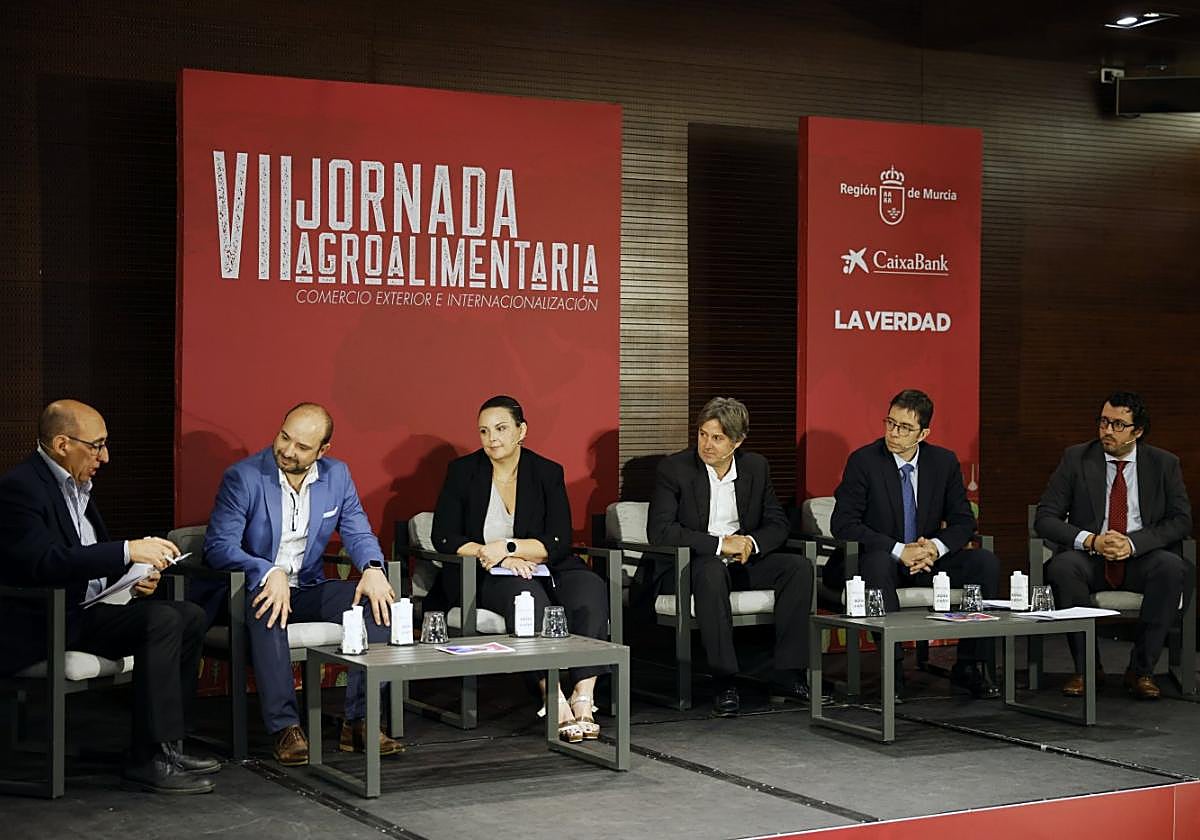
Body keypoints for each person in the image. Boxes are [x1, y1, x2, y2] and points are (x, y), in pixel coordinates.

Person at [0, 400, 217, 794]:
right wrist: (127, 551)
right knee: (162, 620)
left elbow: (84, 555)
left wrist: (131, 577)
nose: (105, 456)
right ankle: (147, 759)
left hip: (81, 613)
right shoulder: (21, 488)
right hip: (41, 621)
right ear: (63, 443)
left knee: (189, 615)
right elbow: (43, 562)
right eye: (96, 445)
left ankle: (168, 745)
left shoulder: (78, 486)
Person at [204, 402, 402, 764]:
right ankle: (285, 727)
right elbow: (218, 547)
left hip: (307, 588)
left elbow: (357, 530)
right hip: (250, 589)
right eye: (284, 437)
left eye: (302, 447)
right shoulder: (244, 477)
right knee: (269, 606)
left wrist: (373, 568)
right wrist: (267, 571)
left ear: (322, 451)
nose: (288, 450)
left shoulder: (337, 476)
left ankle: (358, 721)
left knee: (379, 606)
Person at [432, 395, 610, 742]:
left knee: (590, 589)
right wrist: (495, 555)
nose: (491, 439)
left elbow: (557, 540)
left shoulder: (546, 471)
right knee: (526, 597)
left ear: (521, 430)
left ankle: (584, 697)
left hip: (548, 564)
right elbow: (443, 537)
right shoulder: (463, 472)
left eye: (500, 429)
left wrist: (510, 547)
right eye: (484, 431)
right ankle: (553, 697)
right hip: (485, 572)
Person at [645, 397, 813, 717]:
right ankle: (724, 680)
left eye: (717, 437)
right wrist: (722, 545)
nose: (707, 444)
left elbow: (777, 522)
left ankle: (787, 674)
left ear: (737, 441)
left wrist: (750, 542)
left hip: (741, 562)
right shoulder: (675, 469)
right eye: (703, 434)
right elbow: (661, 531)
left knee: (798, 567)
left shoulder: (755, 467)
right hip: (692, 563)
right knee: (711, 571)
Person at [830, 389, 999, 700]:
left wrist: (934, 547)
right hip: (878, 560)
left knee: (985, 563)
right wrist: (899, 549)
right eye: (890, 423)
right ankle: (891, 669)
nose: (894, 433)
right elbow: (843, 523)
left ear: (924, 433)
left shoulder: (943, 462)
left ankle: (971, 665)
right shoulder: (864, 461)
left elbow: (964, 521)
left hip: (928, 560)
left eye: (904, 428)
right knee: (879, 563)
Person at [1034, 391, 1192, 700]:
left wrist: (1133, 543)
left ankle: (1141, 670)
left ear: (1138, 431)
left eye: (1118, 424)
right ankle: (1087, 669)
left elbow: (1181, 520)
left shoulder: (1164, 464)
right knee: (1063, 567)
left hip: (1140, 558)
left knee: (1172, 567)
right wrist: (1091, 540)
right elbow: (1045, 518)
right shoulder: (1076, 458)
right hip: (1092, 556)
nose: (1107, 430)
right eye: (1104, 421)